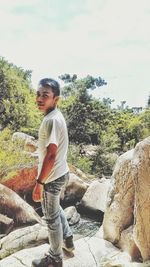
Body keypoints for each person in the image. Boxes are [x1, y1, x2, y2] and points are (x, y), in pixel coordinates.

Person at [32, 78, 74, 267]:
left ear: (55, 99)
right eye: (38, 94)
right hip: (60, 173)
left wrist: (39, 183)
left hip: (52, 177)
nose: (39, 98)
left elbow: (51, 155)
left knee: (50, 218)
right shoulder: (55, 116)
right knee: (55, 210)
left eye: (45, 95)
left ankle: (55, 258)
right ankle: (68, 237)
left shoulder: (52, 120)